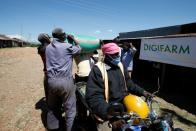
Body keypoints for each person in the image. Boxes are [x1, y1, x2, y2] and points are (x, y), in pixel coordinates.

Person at [85, 42, 152, 130]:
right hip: (110, 109)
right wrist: (110, 115)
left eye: (118, 54)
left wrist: (143, 92)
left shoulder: (120, 66)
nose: (118, 56)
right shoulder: (98, 70)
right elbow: (94, 96)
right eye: (115, 54)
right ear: (107, 55)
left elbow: (129, 83)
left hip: (125, 108)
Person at [45, 28, 81, 131]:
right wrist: (74, 40)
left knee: (52, 107)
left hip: (51, 81)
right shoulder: (67, 46)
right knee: (70, 108)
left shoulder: (48, 48)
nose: (65, 35)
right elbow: (79, 48)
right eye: (64, 34)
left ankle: (53, 128)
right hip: (65, 81)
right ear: (61, 36)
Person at [37, 33, 51, 100]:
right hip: (54, 72)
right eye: (48, 37)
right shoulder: (51, 47)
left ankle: (49, 104)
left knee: (47, 90)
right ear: (46, 38)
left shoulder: (40, 48)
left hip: (46, 72)